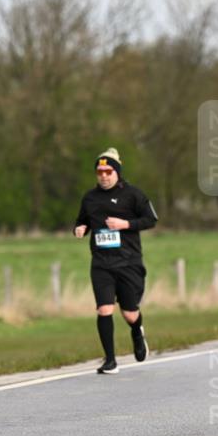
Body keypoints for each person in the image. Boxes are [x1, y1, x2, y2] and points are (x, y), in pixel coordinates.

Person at [75, 148, 158, 372]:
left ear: (117, 173)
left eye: (108, 171)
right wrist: (81, 228)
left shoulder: (133, 195)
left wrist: (125, 224)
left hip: (128, 262)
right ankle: (110, 360)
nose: (103, 175)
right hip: (101, 263)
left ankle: (137, 332)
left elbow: (151, 220)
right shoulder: (90, 198)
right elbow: (82, 221)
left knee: (130, 313)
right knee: (104, 309)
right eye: (99, 171)